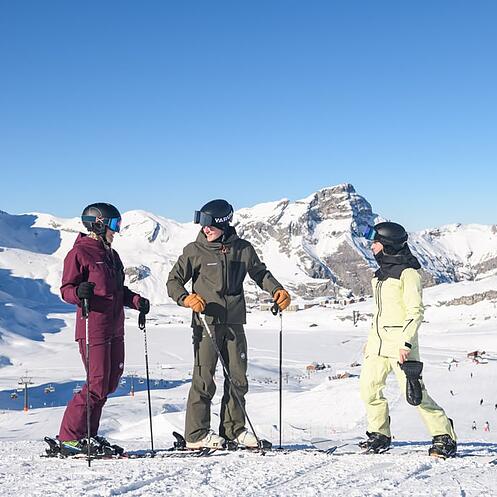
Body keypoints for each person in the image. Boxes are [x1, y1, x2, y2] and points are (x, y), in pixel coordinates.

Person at [167, 199, 291, 449]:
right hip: (206, 323)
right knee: (204, 379)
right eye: (203, 224)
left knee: (238, 378)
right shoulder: (194, 250)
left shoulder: (243, 249)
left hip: (234, 323)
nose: (206, 229)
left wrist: (276, 289)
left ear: (224, 224)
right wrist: (186, 298)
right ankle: (196, 435)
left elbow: (260, 273)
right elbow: (173, 281)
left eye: (210, 225)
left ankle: (234, 429)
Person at [57, 203, 150, 454]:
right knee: (96, 384)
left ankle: (89, 434)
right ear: (97, 223)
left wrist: (136, 301)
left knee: (109, 384)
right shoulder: (79, 253)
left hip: (115, 327)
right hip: (93, 327)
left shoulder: (112, 255)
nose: (116, 231)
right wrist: (79, 292)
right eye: (114, 225)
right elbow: (66, 290)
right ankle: (69, 437)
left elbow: (118, 291)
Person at [358, 222, 457, 458]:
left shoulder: (408, 274)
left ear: (388, 245)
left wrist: (406, 343)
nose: (372, 247)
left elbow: (415, 312)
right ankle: (379, 434)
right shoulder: (379, 275)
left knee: (414, 394)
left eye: (376, 242)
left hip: (401, 345)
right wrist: (371, 340)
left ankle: (444, 435)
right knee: (369, 390)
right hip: (377, 346)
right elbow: (380, 313)